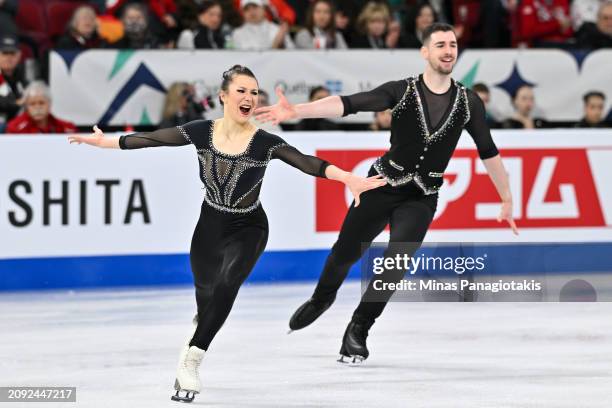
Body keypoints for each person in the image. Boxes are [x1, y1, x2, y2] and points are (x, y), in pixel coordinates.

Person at [67, 65, 386, 402]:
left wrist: (348, 178)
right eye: (242, 91)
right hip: (210, 224)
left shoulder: (265, 143)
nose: (249, 97)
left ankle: (192, 358)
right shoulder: (201, 132)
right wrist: (106, 142)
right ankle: (202, 323)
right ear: (223, 96)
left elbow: (307, 161)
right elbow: (151, 139)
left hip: (249, 226)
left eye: (254, 92)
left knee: (228, 283)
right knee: (205, 291)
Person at [255, 23, 518, 364]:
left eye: (452, 44)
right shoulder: (402, 90)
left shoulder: (468, 102)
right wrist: (297, 111)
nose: (448, 50)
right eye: (440, 44)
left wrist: (507, 198)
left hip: (421, 197)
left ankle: (359, 328)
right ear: (425, 52)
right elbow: (349, 104)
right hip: (380, 186)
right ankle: (322, 298)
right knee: (344, 253)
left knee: (397, 262)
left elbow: (488, 150)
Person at [6, 81, 77, 134]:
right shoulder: (15, 128)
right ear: (26, 106)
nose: (37, 107)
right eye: (32, 104)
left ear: (49, 104)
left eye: (41, 103)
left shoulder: (66, 128)